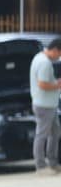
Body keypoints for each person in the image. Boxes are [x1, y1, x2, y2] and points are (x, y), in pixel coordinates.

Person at [29, 38, 61, 175]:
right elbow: (42, 84)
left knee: (55, 133)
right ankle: (41, 165)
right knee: (42, 134)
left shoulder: (38, 57)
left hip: (48, 104)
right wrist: (57, 85)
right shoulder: (45, 63)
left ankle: (52, 163)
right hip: (44, 105)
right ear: (55, 50)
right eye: (59, 54)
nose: (59, 57)